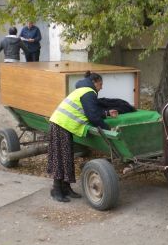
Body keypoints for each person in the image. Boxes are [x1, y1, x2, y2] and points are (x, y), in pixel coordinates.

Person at [47, 71, 118, 202]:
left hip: (63, 125)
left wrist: (107, 113)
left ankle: (66, 188)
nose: (101, 87)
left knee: (67, 157)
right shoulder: (88, 92)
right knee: (60, 157)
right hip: (60, 125)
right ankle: (56, 190)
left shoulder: (84, 90)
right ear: (95, 82)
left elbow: (91, 111)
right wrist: (108, 130)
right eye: (100, 84)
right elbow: (93, 116)